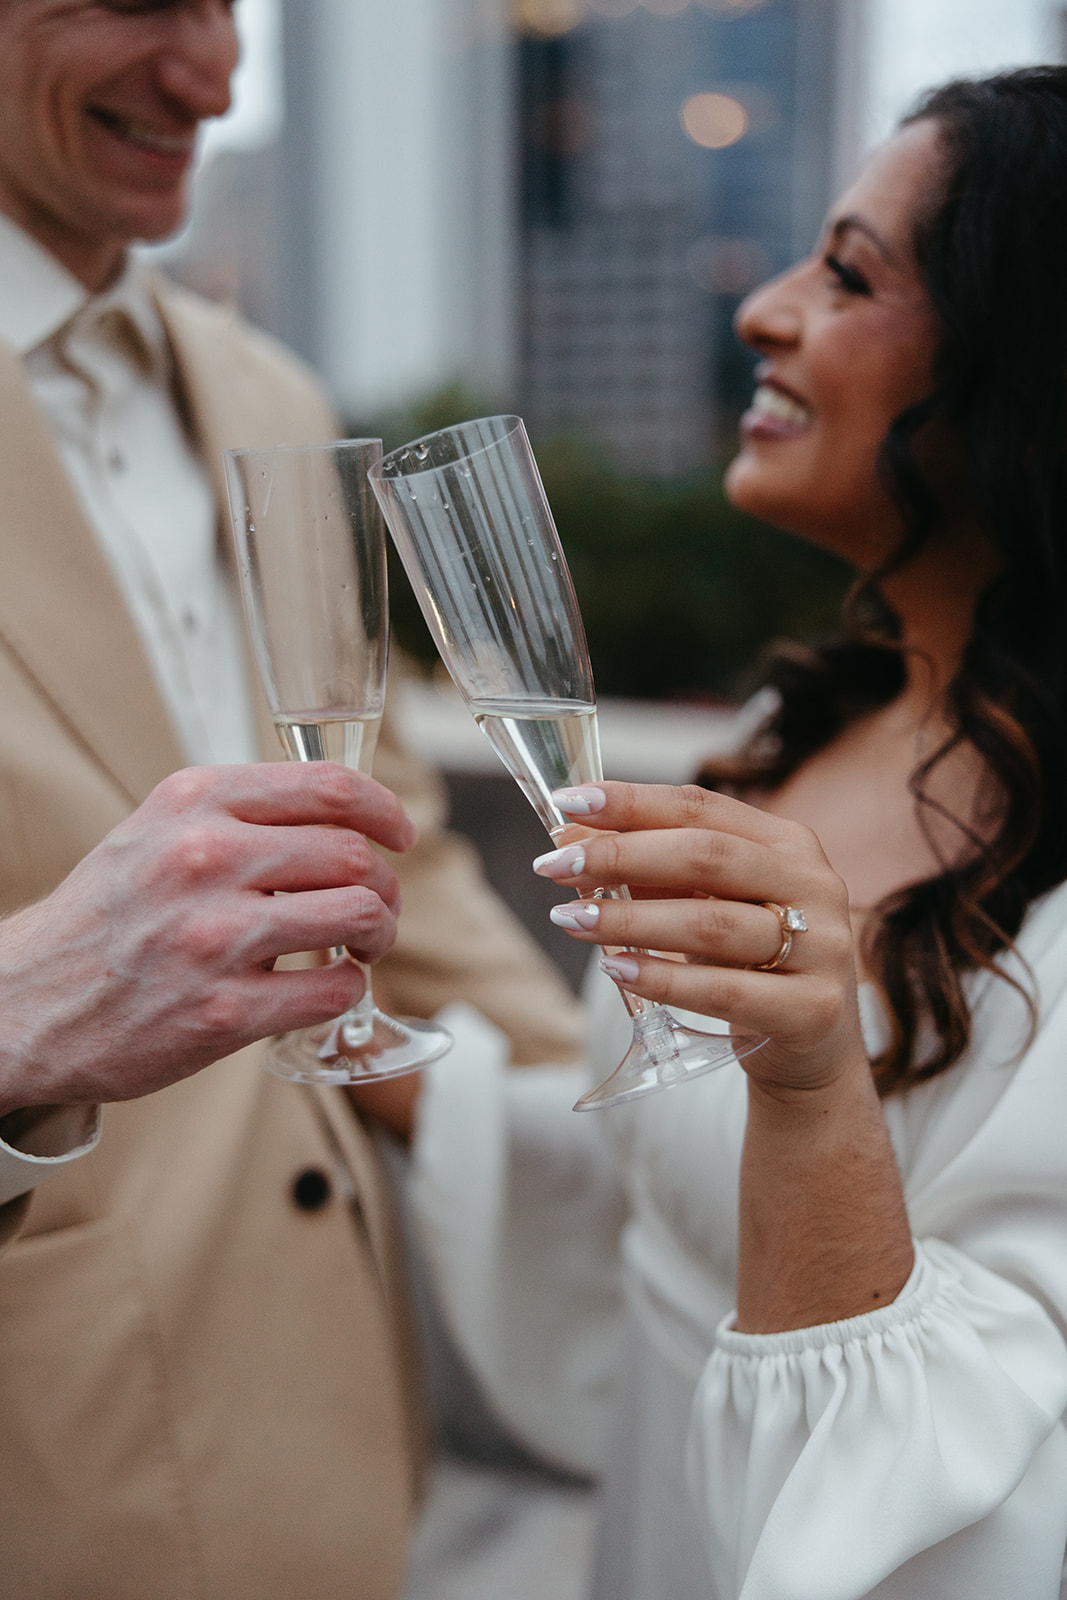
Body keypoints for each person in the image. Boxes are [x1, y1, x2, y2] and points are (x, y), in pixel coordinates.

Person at [407, 67, 1067, 1599]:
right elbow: (665, 1183)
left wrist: (817, 1080)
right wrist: (390, 1063)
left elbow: (1010, 1482)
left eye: (847, 274)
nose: (763, 309)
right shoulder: (797, 740)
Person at [0, 2, 582, 1595]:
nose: (215, 74)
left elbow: (386, 821)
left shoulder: (273, 396)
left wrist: (602, 1096)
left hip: (339, 1412)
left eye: (228, 6)